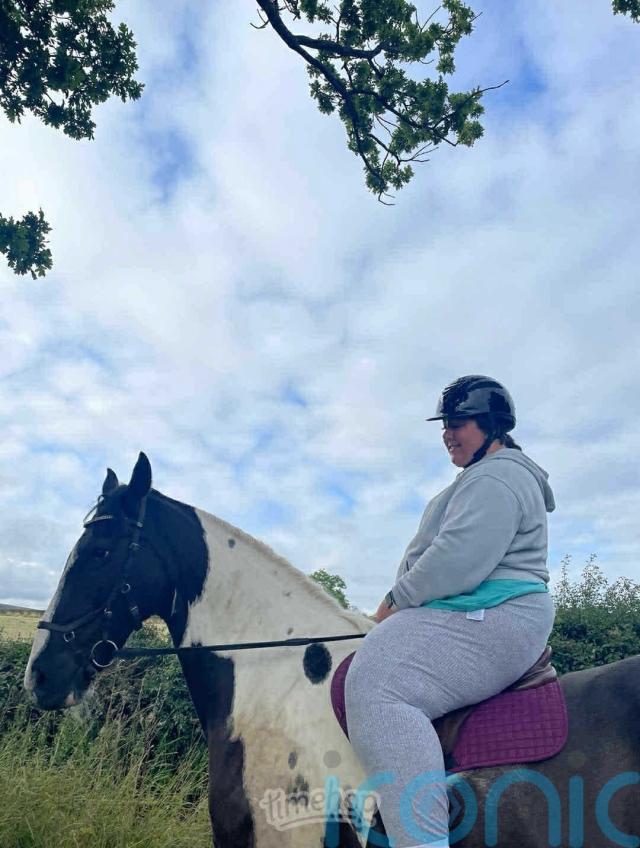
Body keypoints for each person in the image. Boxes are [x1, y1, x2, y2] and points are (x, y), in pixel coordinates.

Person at [344, 375, 556, 848]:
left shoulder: (497, 477)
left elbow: (454, 561)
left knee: (377, 686)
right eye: (444, 425)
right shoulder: (485, 476)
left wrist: (393, 604)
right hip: (481, 609)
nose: (447, 434)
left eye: (458, 423)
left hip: (496, 611)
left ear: (492, 426)